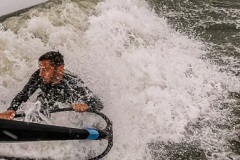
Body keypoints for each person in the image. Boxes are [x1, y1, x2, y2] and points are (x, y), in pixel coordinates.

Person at [0, 51, 103, 120]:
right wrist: (11, 109)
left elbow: (98, 103)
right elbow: (23, 94)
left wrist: (85, 105)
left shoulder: (72, 81)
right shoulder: (38, 76)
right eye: (40, 69)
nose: (41, 74)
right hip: (45, 107)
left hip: (66, 116)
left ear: (60, 69)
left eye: (45, 70)